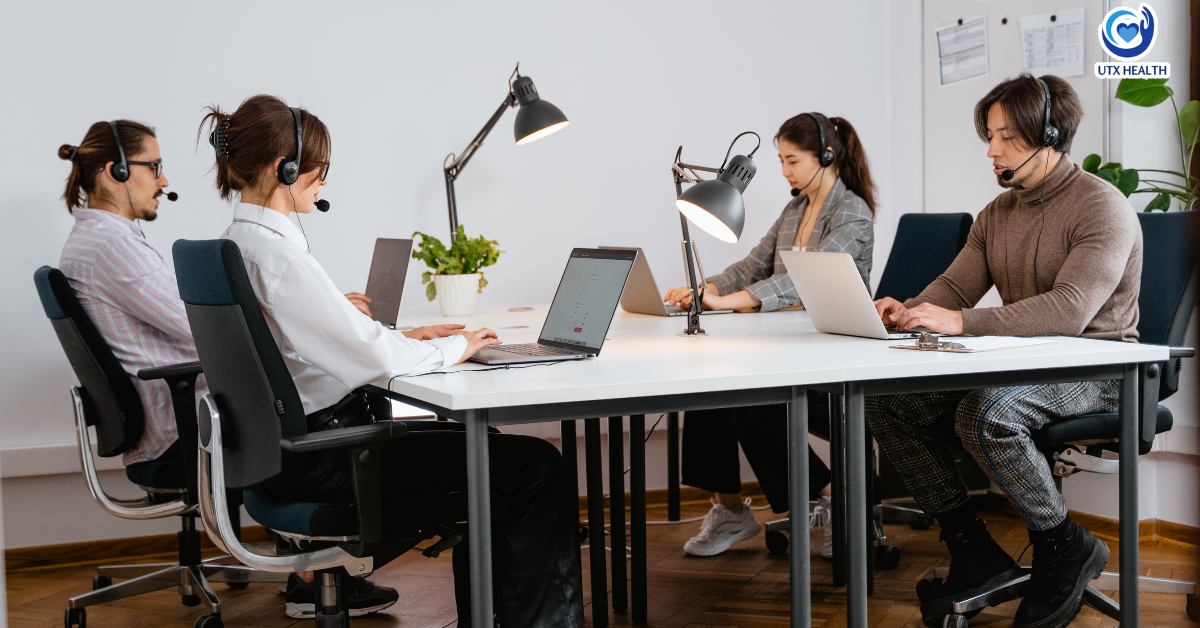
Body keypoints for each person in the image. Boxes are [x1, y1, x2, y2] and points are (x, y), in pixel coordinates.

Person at [200, 95, 584, 628]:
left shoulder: (237, 243)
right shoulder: (279, 256)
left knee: (492, 454)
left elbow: (313, 344)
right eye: (320, 168)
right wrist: (457, 346)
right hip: (333, 460)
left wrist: (401, 335)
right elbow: (377, 361)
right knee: (536, 468)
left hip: (285, 456)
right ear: (282, 169)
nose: (324, 180)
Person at [56, 120, 402, 619]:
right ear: (115, 171)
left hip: (165, 413)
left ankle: (311, 573)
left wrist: (313, 308)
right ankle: (314, 575)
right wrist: (298, 311)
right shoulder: (111, 245)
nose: (164, 180)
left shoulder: (95, 239)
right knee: (300, 393)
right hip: (178, 422)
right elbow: (201, 320)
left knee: (288, 382)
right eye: (153, 166)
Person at [868, 74, 1140, 628]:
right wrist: (911, 308)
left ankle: (1064, 545)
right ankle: (972, 548)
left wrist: (961, 322)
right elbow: (954, 289)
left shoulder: (1100, 207)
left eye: (1008, 137)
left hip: (1100, 368)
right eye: (989, 135)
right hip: (1026, 368)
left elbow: (1068, 311)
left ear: (1051, 135)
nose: (991, 150)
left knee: (986, 411)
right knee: (887, 402)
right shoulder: (997, 214)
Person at [664, 112, 877, 557]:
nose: (785, 172)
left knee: (755, 404)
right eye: (780, 160)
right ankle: (730, 511)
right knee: (709, 383)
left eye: (793, 161)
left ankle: (835, 495)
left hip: (836, 358)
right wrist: (708, 289)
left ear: (827, 156)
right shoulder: (795, 209)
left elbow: (801, 281)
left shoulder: (851, 212)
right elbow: (754, 265)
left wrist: (730, 301)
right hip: (795, 348)